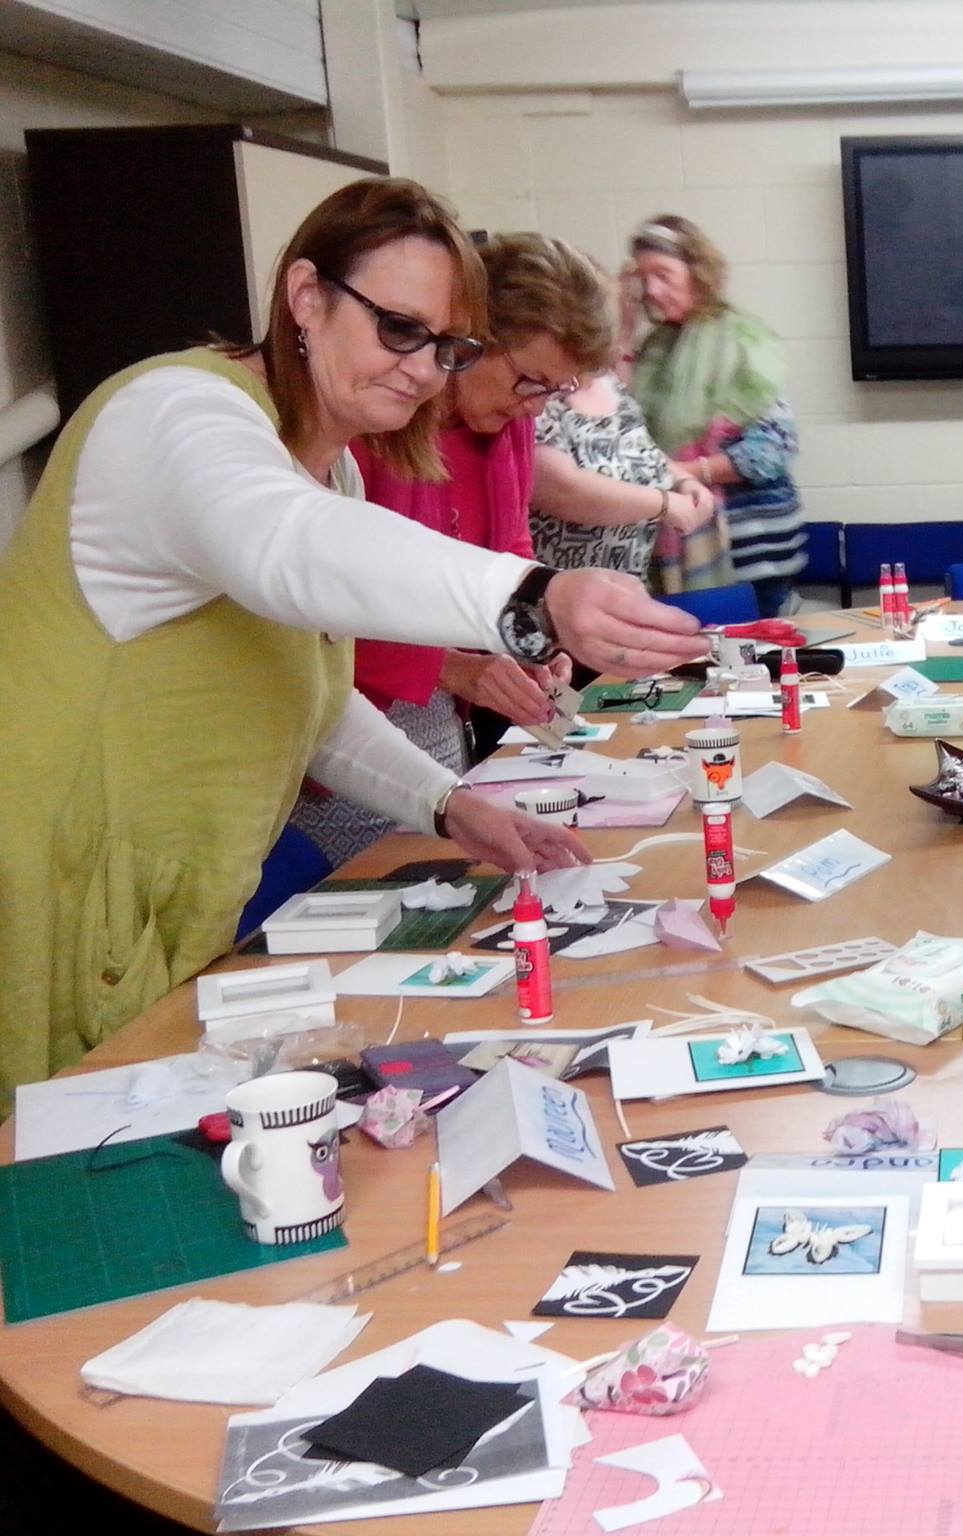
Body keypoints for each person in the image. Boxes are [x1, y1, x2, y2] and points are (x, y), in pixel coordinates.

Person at [0, 178, 708, 1110]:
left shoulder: (329, 469)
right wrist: (533, 597)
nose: (423, 371)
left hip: (163, 896)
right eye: (400, 329)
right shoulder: (177, 413)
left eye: (447, 347)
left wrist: (448, 805)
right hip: (57, 887)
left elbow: (305, 697)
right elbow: (281, 549)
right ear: (306, 296)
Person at [292, 232, 715, 867]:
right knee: (389, 886)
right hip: (349, 728)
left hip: (434, 715)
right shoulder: (371, 430)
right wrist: (457, 669)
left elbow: (512, 554)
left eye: (555, 389)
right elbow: (329, 614)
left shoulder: (508, 424)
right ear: (470, 338)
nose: (535, 406)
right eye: (529, 381)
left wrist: (532, 639)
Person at [622, 216, 807, 616]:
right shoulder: (654, 347)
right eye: (642, 278)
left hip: (750, 547)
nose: (651, 290)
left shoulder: (741, 340)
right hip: (677, 535)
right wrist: (622, 326)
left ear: (698, 272)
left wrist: (680, 473)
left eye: (663, 275)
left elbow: (772, 449)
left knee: (755, 652)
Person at [531, 266, 732, 608]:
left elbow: (643, 451)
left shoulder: (609, 384)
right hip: (561, 602)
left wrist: (682, 481)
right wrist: (663, 503)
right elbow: (565, 491)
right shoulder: (539, 394)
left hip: (628, 590)